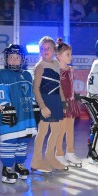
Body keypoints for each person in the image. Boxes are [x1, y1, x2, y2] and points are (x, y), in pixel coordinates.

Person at [0, 44, 38, 184]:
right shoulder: (2, 74)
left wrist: (35, 109)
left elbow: (31, 94)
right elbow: (0, 93)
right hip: (11, 115)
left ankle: (19, 165)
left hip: (26, 116)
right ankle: (7, 168)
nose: (13, 60)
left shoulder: (27, 75)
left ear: (22, 59)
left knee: (23, 140)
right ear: (6, 59)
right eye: (10, 57)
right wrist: (5, 108)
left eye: (16, 57)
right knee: (9, 140)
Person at [31, 36, 67, 173]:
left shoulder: (56, 64)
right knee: (43, 131)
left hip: (55, 100)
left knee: (56, 130)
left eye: (49, 48)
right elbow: (35, 89)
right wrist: (43, 107)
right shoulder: (40, 67)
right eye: (42, 49)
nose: (46, 51)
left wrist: (63, 102)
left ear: (54, 50)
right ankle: (36, 160)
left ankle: (50, 157)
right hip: (45, 101)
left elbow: (59, 85)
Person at [54, 39, 83, 168]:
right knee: (61, 129)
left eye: (71, 54)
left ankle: (70, 152)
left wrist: (75, 96)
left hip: (70, 102)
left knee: (70, 128)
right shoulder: (56, 71)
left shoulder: (70, 70)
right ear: (59, 56)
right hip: (61, 103)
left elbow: (70, 87)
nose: (70, 57)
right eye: (68, 54)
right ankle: (58, 153)